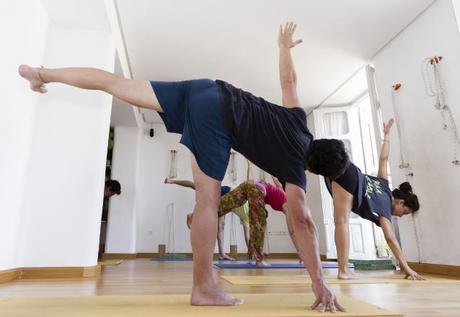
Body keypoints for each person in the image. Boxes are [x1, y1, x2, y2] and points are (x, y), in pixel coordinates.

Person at [19, 22, 348, 311]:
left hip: (208, 87)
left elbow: (289, 82)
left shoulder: (298, 121)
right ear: (315, 169)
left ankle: (43, 74)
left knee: (117, 83)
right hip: (218, 117)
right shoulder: (295, 167)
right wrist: (319, 283)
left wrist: (283, 47)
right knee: (208, 201)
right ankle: (204, 288)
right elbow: (302, 222)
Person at [322, 118, 423, 280]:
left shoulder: (384, 184)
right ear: (400, 202)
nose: (401, 216)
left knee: (315, 163)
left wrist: (387, 136)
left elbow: (383, 160)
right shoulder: (385, 212)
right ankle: (343, 270)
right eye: (404, 212)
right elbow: (390, 238)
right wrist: (407, 267)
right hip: (351, 181)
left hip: (349, 169)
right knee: (341, 222)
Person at [164, 178, 250, 260]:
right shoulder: (249, 211)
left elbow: (247, 236)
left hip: (228, 204)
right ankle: (172, 181)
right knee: (197, 187)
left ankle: (222, 254)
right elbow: (248, 237)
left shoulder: (248, 219)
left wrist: (251, 252)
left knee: (221, 226)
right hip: (227, 193)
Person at [100, 180, 121, 258]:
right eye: (112, 193)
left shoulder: (105, 198)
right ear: (108, 188)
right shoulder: (98, 194)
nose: (111, 195)